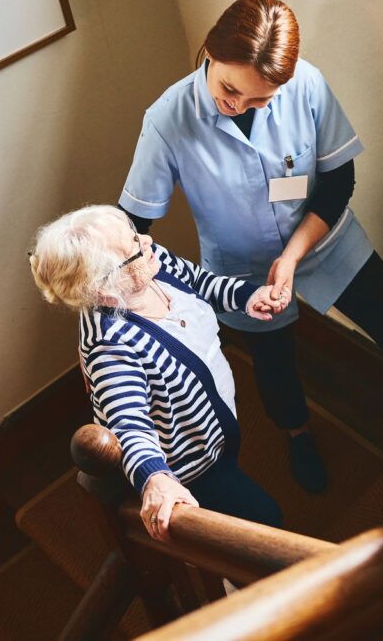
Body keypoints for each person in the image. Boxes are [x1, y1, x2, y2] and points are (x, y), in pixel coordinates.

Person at [118, 0, 383, 494]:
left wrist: (291, 257)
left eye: (259, 100)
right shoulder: (167, 121)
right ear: (210, 50)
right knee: (275, 365)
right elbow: (134, 223)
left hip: (322, 238)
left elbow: (337, 183)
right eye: (229, 89)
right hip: (240, 265)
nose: (237, 105)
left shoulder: (306, 84)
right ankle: (297, 435)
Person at [28, 204, 286, 541]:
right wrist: (155, 478)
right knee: (267, 523)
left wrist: (246, 296)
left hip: (216, 430)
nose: (148, 242)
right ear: (103, 288)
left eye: (136, 235)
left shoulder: (149, 265)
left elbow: (198, 282)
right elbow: (129, 424)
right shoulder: (111, 349)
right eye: (134, 247)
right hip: (193, 465)